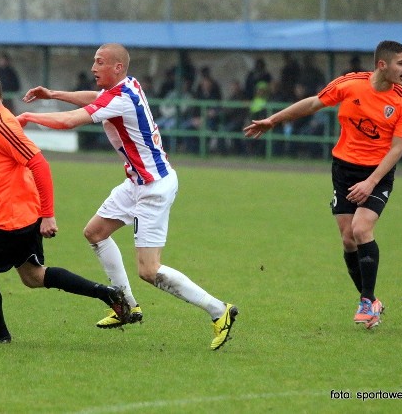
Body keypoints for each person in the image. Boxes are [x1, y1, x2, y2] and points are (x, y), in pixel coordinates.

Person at [16, 43, 238, 350]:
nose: (93, 67)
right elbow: (93, 98)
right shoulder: (127, 86)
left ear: (117, 67)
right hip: (136, 183)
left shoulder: (121, 98)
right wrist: (53, 94)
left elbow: (68, 122)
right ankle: (126, 305)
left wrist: (29, 117)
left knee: (149, 270)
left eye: (99, 62)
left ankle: (219, 310)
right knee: (95, 232)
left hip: (153, 188)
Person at [0, 66, 131, 343]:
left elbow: (39, 163)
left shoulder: (2, 125)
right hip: (19, 217)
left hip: (9, 222)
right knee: (33, 276)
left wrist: (48, 215)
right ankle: (108, 293)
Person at [244, 40, 402, 330]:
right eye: (401, 63)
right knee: (348, 238)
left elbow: (397, 149)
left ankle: (367, 301)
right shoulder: (350, 84)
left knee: (362, 229)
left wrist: (371, 182)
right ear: (382, 65)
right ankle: (370, 301)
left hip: (377, 173)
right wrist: (273, 120)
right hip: (344, 169)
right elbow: (313, 103)